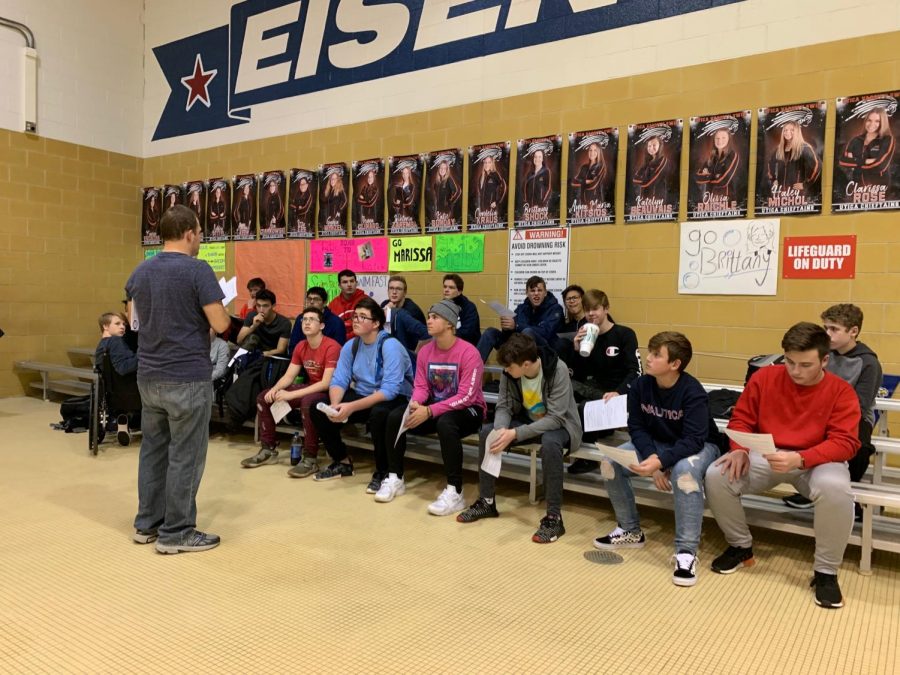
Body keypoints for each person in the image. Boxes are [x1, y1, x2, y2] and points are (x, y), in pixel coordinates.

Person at [705, 322, 860, 609]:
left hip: (816, 459)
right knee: (717, 475)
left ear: (825, 360)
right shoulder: (764, 378)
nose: (795, 371)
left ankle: (826, 571)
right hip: (767, 454)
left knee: (836, 489)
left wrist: (801, 458)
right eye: (789, 361)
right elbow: (741, 420)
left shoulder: (841, 391)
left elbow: (846, 443)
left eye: (805, 364)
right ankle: (741, 547)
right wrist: (738, 449)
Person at [126, 204, 231, 554]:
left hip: (149, 375)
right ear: (189, 233)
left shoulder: (140, 271)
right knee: (186, 455)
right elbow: (220, 324)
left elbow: (133, 324)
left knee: (153, 452)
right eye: (200, 233)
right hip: (186, 376)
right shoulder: (198, 270)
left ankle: (147, 524)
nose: (201, 239)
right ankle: (177, 532)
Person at [593, 332, 721, 587]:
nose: (648, 359)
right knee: (609, 463)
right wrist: (653, 459)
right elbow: (637, 427)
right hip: (658, 445)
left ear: (675, 364)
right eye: (649, 353)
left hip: (701, 445)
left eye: (656, 355)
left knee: (684, 473)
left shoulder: (692, 392)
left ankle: (686, 552)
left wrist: (661, 462)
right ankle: (630, 530)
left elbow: (694, 440)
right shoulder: (641, 385)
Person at [457, 333, 582, 543]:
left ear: (525, 365)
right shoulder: (511, 372)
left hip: (561, 425)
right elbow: (504, 405)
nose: (506, 371)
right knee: (489, 433)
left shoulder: (557, 369)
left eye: (510, 368)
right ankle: (487, 501)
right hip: (525, 420)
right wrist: (501, 430)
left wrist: (515, 434)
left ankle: (554, 517)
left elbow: (555, 418)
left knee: (550, 443)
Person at [382, 300, 486, 513]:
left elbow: (466, 396)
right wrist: (416, 403)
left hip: (469, 409)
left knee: (446, 424)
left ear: (449, 324)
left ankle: (455, 491)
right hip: (435, 408)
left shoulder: (469, 353)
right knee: (395, 416)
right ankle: (395, 478)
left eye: (434, 317)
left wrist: (429, 411)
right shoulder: (426, 351)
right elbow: (421, 386)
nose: (428, 321)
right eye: (429, 316)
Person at [783, 305, 882, 515]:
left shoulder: (868, 362)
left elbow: (860, 404)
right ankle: (809, 487)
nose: (827, 334)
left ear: (853, 331)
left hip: (854, 417)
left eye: (834, 329)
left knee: (858, 446)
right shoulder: (823, 353)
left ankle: (849, 497)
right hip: (818, 410)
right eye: (825, 327)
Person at [310, 297, 413, 493]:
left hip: (395, 398)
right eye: (355, 316)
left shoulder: (390, 346)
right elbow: (339, 380)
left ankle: (383, 472)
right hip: (364, 395)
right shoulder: (352, 345)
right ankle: (342, 461)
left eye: (362, 317)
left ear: (375, 323)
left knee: (379, 415)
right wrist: (335, 407)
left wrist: (350, 408)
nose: (355, 320)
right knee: (318, 409)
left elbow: (390, 391)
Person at [241, 306, 342, 477]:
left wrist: (290, 395)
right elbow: (289, 376)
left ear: (322, 326)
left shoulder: (332, 346)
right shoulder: (301, 346)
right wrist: (274, 390)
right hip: (310, 387)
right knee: (263, 398)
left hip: (329, 392)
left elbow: (325, 383)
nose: (307, 323)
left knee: (307, 403)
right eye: (304, 319)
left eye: (312, 319)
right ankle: (268, 449)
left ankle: (310, 458)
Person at [567, 289, 642, 473]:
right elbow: (580, 374)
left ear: (606, 308)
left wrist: (619, 392)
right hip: (597, 390)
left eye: (595, 309)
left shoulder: (625, 334)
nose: (591, 314)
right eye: (587, 310)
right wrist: (577, 350)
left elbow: (636, 371)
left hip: (619, 393)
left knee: (584, 406)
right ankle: (573, 446)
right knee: (565, 388)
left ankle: (587, 452)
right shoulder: (587, 336)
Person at [476, 275, 563, 363]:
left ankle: (520, 370)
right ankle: (473, 368)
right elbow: (512, 333)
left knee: (527, 332)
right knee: (490, 332)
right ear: (527, 293)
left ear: (545, 293)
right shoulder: (521, 308)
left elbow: (546, 332)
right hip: (518, 348)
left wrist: (516, 325)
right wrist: (507, 328)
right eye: (532, 291)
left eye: (539, 290)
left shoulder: (555, 309)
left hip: (542, 350)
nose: (536, 293)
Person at [838, 107, 895, 190]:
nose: (872, 124)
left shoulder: (887, 140)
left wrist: (854, 161)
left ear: (883, 123)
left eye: (877, 121)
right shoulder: (855, 140)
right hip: (857, 187)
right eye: (869, 120)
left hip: (879, 188)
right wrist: (866, 161)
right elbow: (843, 162)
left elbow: (880, 165)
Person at [766, 121, 820, 197]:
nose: (788, 132)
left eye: (792, 130)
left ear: (797, 132)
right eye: (785, 130)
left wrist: (805, 184)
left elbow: (816, 165)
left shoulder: (804, 147)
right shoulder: (779, 149)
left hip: (797, 194)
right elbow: (770, 164)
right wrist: (773, 179)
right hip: (781, 193)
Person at [288, 286, 346, 355]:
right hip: (302, 360)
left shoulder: (336, 322)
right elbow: (293, 345)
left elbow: (338, 349)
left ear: (325, 302)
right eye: (309, 299)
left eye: (316, 299)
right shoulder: (301, 318)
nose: (311, 302)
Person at [381, 275, 427, 357]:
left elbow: (426, 334)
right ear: (387, 290)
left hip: (407, 352)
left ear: (405, 293)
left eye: (398, 289)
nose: (394, 292)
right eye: (391, 288)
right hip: (391, 351)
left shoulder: (412, 310)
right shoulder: (385, 304)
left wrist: (415, 355)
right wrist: (387, 310)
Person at [236, 289, 290, 357]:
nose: (261, 310)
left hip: (272, 356)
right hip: (253, 353)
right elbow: (239, 341)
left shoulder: (284, 323)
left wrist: (261, 355)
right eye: (258, 305)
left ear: (273, 306)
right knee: (252, 337)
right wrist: (253, 326)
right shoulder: (252, 315)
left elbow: (280, 350)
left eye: (265, 306)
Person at [695, 128, 739, 200]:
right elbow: (698, 178)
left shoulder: (733, 155)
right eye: (717, 138)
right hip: (709, 200)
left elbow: (723, 181)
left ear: (729, 139)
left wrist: (708, 176)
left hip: (726, 200)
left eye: (723, 138)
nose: (720, 141)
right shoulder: (712, 157)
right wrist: (714, 176)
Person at [328, 269, 367, 341]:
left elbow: (368, 325)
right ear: (339, 285)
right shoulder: (333, 304)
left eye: (352, 281)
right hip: (339, 342)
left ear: (356, 283)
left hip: (361, 341)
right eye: (345, 282)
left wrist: (345, 337)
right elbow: (330, 327)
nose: (349, 285)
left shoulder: (366, 301)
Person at [442, 274, 481, 346]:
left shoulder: (469, 307)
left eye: (451, 287)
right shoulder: (441, 306)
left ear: (459, 291)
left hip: (467, 346)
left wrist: (446, 335)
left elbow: (467, 333)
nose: (446, 290)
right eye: (445, 287)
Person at [95, 312, 138, 376]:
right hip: (125, 384)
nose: (122, 327)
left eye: (124, 324)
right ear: (105, 326)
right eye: (117, 324)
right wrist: (144, 355)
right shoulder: (115, 340)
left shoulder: (102, 344)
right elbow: (122, 368)